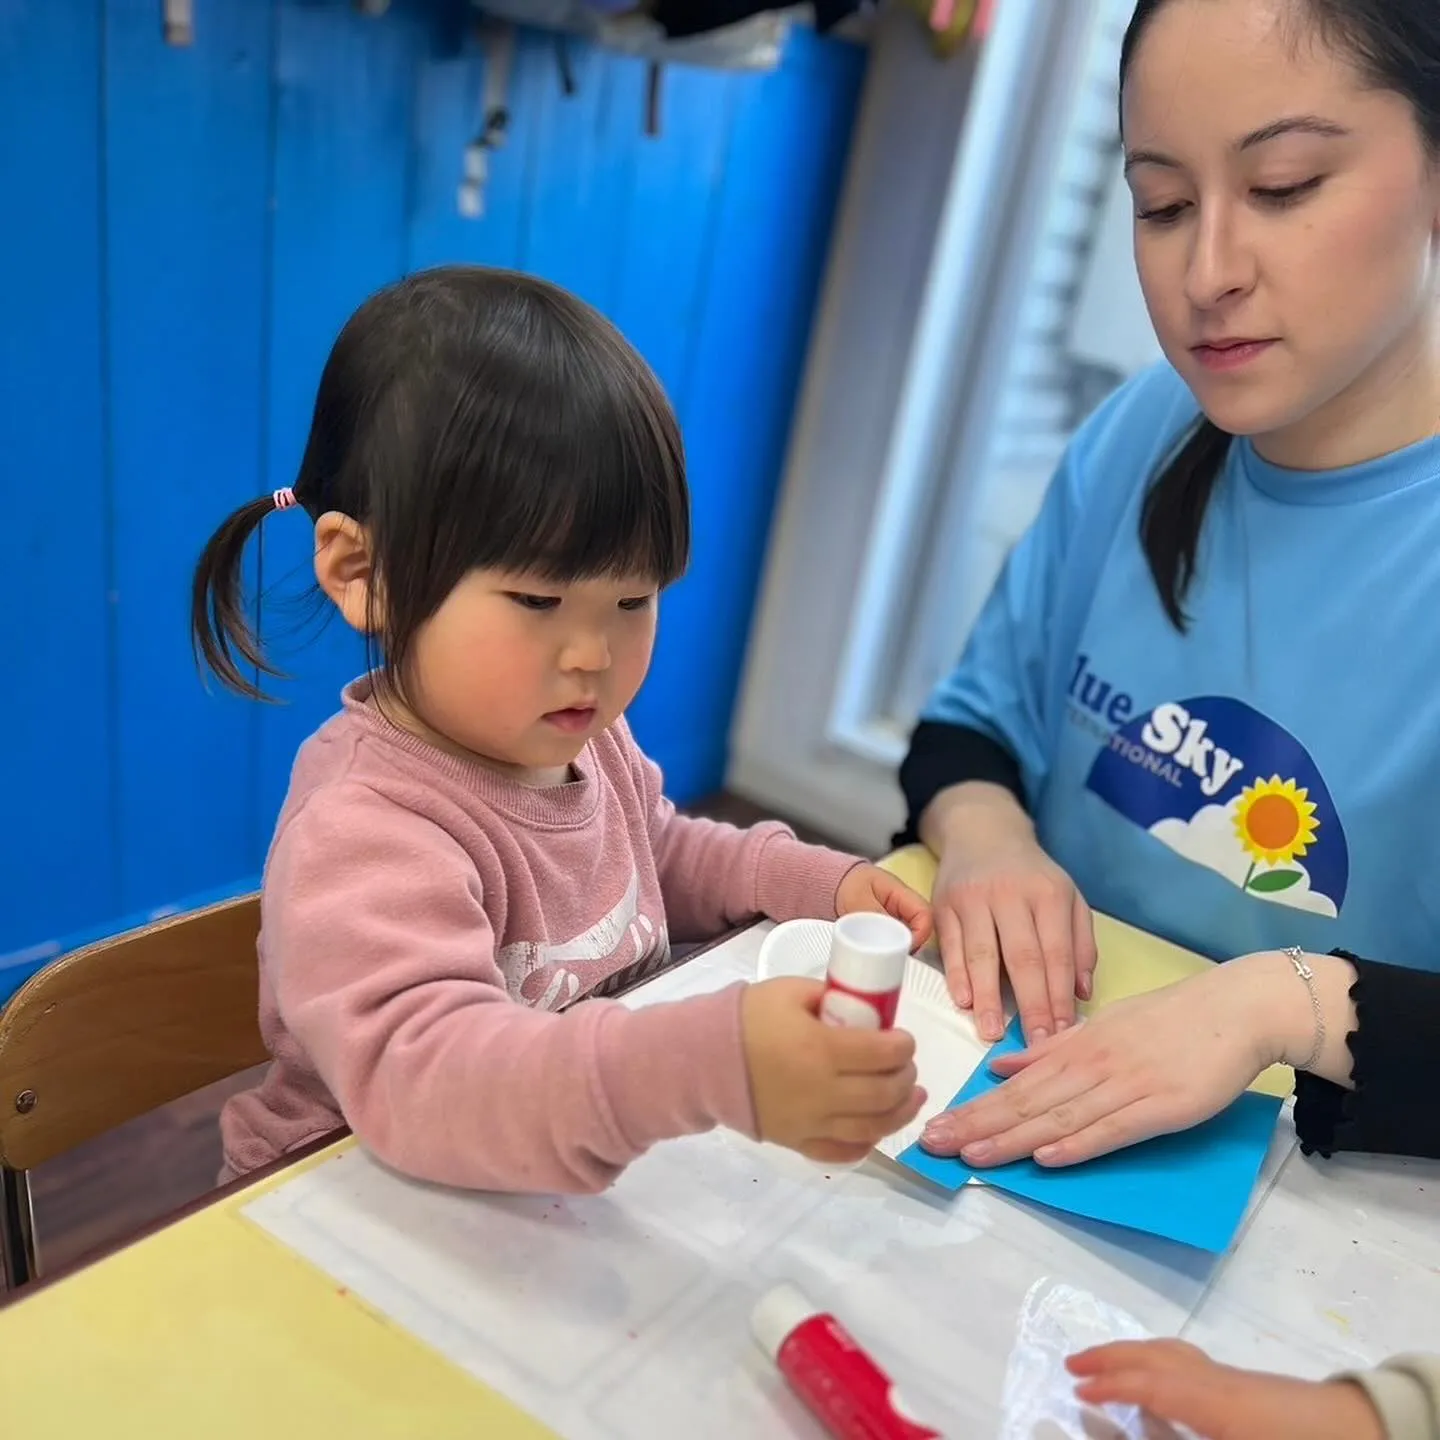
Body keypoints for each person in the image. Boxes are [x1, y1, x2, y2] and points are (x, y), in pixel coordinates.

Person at [191, 266, 932, 1193]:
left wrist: (816, 883)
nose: (591, 653)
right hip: (345, 1215)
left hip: (533, 1206)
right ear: (364, 573)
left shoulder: (576, 737)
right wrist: (704, 1062)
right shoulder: (366, 831)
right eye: (538, 599)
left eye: (633, 598)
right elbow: (432, 1084)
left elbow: (655, 852)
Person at [897, 0, 1440, 1056]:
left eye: (1283, 189)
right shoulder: (1147, 429)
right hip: (1025, 1074)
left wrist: (1285, 1007)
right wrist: (987, 834)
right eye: (1163, 204)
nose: (1207, 275)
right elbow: (969, 732)